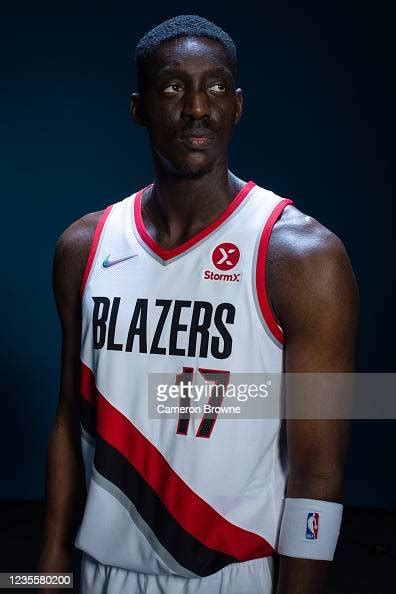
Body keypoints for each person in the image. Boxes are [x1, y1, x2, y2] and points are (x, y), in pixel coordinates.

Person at [38, 14, 359, 594]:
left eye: (215, 87)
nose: (196, 107)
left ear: (237, 107)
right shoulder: (83, 247)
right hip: (99, 573)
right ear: (138, 109)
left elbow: (320, 469)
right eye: (172, 87)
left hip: (232, 576)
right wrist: (46, 576)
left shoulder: (303, 257)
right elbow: (68, 419)